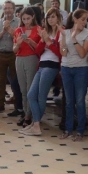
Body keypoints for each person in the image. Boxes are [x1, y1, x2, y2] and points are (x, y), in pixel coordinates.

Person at [22, 8, 63, 136]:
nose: (50, 19)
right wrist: (41, 40)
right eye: (48, 17)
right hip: (42, 65)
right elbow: (38, 51)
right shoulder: (45, 31)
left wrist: (48, 42)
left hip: (52, 66)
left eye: (53, 17)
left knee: (41, 96)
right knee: (31, 94)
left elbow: (60, 54)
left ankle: (36, 125)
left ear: (58, 18)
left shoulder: (61, 32)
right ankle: (36, 124)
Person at [59, 9, 88, 141]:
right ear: (75, 19)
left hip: (81, 69)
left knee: (80, 101)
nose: (85, 22)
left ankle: (80, 131)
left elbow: (83, 54)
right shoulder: (65, 32)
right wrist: (63, 39)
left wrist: (73, 39)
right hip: (66, 68)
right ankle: (68, 129)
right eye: (83, 19)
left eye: (86, 19)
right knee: (69, 101)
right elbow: (63, 53)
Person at [13, 7, 42, 127]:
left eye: (28, 18)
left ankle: (29, 115)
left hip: (32, 58)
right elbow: (14, 50)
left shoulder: (38, 29)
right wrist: (19, 44)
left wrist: (30, 41)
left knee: (30, 88)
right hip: (19, 58)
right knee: (23, 89)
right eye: (24, 19)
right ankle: (25, 112)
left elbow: (40, 48)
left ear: (33, 17)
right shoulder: (18, 30)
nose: (26, 21)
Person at [0, 0, 20, 113]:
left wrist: (9, 29)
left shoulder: (18, 22)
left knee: (15, 80)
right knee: (0, 81)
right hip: (0, 54)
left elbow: (18, 37)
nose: (8, 10)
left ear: (13, 9)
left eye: (10, 8)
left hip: (14, 54)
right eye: (5, 8)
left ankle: (18, 105)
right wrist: (3, 31)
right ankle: (0, 104)